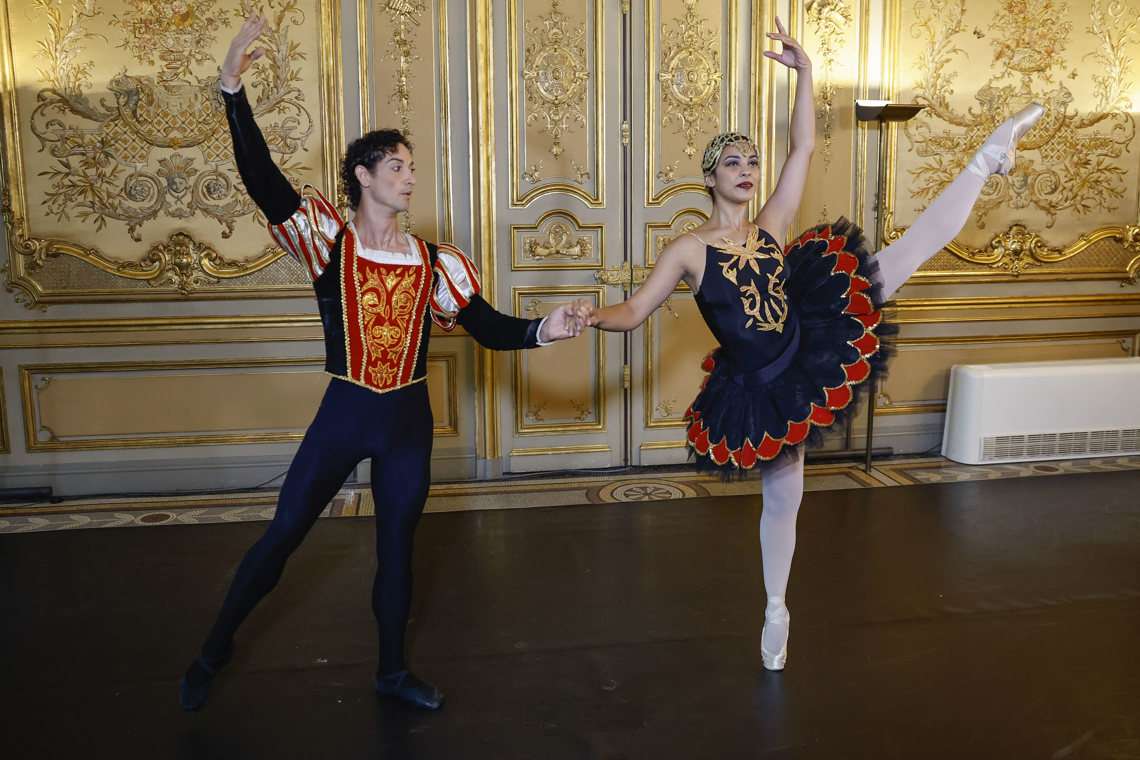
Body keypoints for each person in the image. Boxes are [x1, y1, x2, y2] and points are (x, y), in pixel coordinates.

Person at [577, 17, 1043, 671]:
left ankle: (986, 156)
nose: (747, 169)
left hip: (812, 331)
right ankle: (776, 606)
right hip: (761, 385)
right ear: (710, 178)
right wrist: (590, 315)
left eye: (751, 161)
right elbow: (633, 311)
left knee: (904, 254)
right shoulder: (686, 249)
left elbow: (800, 149)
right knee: (782, 500)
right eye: (733, 162)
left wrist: (807, 77)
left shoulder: (771, 222)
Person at [180, 15, 585, 712]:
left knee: (397, 548)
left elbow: (485, 327)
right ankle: (215, 646)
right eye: (397, 165)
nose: (409, 176)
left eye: (411, 167)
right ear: (363, 176)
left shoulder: (435, 262)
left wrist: (546, 328)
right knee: (283, 537)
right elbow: (264, 181)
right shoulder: (327, 243)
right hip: (345, 414)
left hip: (407, 421)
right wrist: (231, 88)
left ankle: (392, 670)